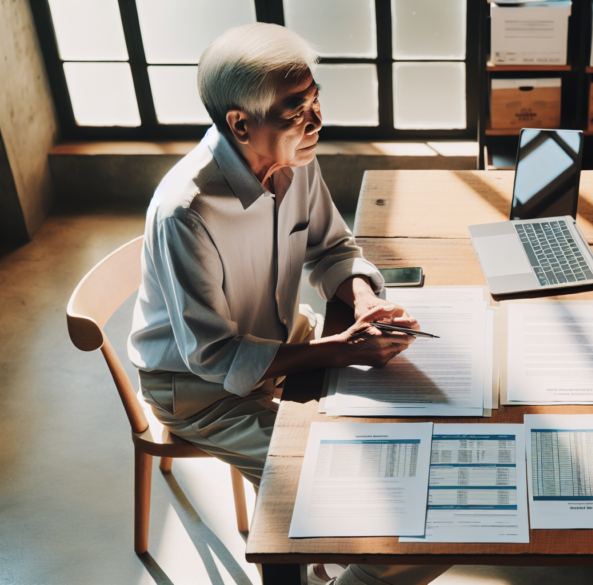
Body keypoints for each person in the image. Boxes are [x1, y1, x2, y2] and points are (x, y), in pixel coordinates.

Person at [127, 23, 448, 585]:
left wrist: (365, 300)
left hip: (283, 339)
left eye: (317, 99)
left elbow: (333, 248)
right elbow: (215, 358)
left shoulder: (294, 158)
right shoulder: (186, 211)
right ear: (240, 124)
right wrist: (336, 352)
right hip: (197, 391)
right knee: (398, 528)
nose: (317, 120)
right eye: (297, 110)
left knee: (421, 435)